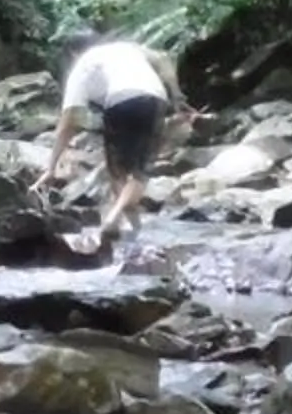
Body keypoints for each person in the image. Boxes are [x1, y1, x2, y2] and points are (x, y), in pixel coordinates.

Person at [37, 26, 185, 251]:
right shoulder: (127, 47)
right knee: (140, 169)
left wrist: (50, 168)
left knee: (118, 170)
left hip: (118, 101)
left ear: (73, 53)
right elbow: (164, 59)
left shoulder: (82, 65)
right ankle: (135, 230)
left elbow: (68, 122)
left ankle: (113, 217)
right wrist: (176, 95)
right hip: (155, 97)